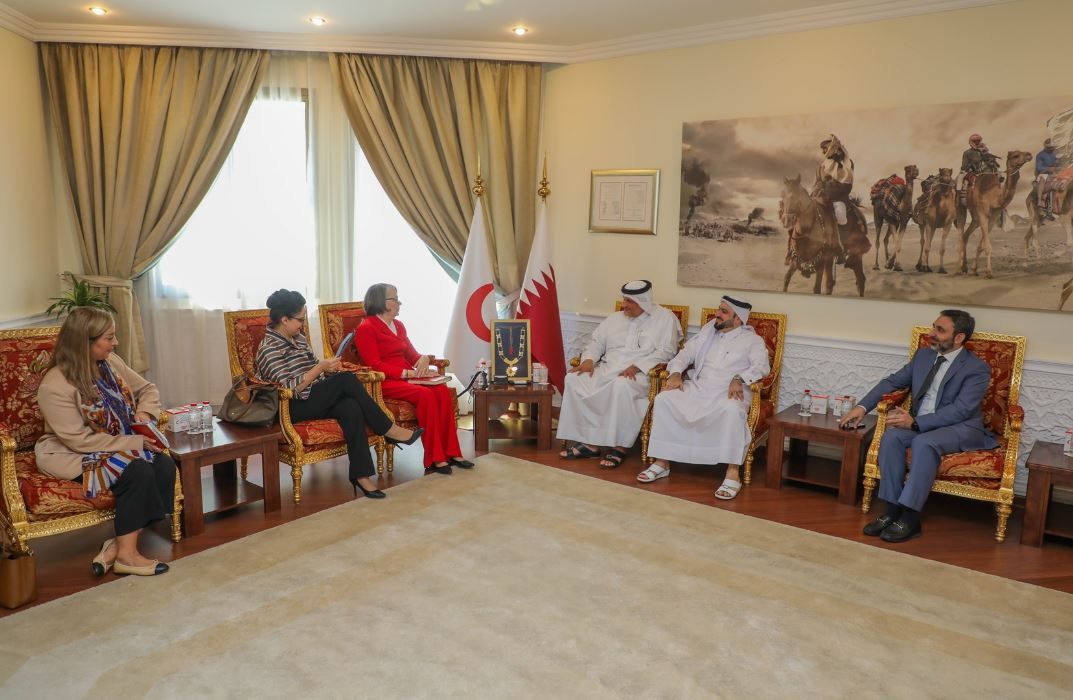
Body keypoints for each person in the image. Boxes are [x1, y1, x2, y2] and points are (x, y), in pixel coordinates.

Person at [35, 307, 176, 577]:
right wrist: (134, 443)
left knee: (164, 466)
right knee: (137, 471)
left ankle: (117, 546)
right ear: (84, 342)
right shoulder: (54, 386)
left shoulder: (110, 363)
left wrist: (144, 413)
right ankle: (127, 556)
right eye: (109, 338)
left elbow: (147, 388)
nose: (116, 343)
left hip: (114, 442)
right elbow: (78, 440)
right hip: (72, 452)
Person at [839, 310, 995, 543]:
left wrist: (916, 423)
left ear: (959, 338)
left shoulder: (976, 368)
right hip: (920, 423)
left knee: (924, 442)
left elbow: (961, 410)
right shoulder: (923, 356)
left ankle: (911, 518)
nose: (931, 333)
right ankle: (892, 510)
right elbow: (892, 382)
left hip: (960, 427)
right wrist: (862, 407)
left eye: (940, 330)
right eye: (933, 327)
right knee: (891, 439)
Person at [256, 289, 421, 499]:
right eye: (299, 319)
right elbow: (289, 388)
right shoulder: (269, 348)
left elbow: (313, 368)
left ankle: (361, 476)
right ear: (284, 319)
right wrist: (320, 369)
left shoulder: (299, 338)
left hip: (311, 396)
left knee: (350, 405)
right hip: (290, 406)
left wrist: (327, 368)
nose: (303, 324)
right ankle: (388, 429)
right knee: (346, 381)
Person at [637, 295, 769, 501]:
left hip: (729, 390)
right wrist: (676, 373)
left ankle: (732, 473)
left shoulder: (752, 341)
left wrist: (738, 378)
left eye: (724, 312)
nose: (717, 314)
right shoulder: (708, 333)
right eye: (719, 309)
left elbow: (761, 367)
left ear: (737, 320)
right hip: (699, 386)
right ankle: (662, 463)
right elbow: (684, 355)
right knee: (665, 399)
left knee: (732, 410)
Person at [556, 280, 681, 469]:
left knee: (621, 386)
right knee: (573, 379)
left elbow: (667, 351)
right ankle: (590, 443)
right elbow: (596, 341)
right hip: (608, 368)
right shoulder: (615, 319)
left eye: (630, 301)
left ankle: (620, 447)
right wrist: (589, 360)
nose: (624, 305)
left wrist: (638, 366)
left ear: (643, 301)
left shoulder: (665, 318)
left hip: (641, 374)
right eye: (624, 300)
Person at [354, 283, 470, 475]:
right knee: (425, 395)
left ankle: (452, 452)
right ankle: (435, 458)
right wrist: (407, 374)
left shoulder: (398, 325)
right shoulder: (366, 328)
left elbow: (411, 355)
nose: (400, 303)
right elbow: (374, 364)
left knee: (441, 390)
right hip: (384, 381)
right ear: (382, 302)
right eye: (395, 299)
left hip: (407, 377)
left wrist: (422, 359)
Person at [811, 134, 854, 258]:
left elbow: (848, 184)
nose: (824, 151)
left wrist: (833, 185)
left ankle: (843, 247)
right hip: (821, 198)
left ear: (834, 149)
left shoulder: (846, 164)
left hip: (838, 199)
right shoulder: (822, 167)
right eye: (823, 149)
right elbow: (816, 182)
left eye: (826, 148)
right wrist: (818, 189)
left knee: (840, 216)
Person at [1035, 138, 1059, 220]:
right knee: (1042, 179)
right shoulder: (1040, 155)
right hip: (1043, 173)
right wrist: (1048, 169)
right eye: (1050, 147)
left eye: (1053, 147)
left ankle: (1055, 208)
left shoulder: (1054, 155)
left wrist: (1056, 166)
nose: (1052, 149)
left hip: (1053, 174)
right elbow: (1038, 167)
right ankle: (1039, 201)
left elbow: (1056, 165)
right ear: (1046, 147)